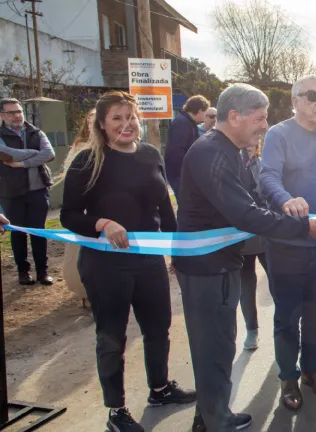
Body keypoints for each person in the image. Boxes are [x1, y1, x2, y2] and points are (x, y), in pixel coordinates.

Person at [173, 83, 316, 432]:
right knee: (213, 348)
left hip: (218, 264)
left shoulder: (228, 151)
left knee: (219, 344)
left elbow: (253, 201)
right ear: (235, 117)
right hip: (206, 268)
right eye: (260, 118)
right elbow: (245, 213)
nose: (264, 125)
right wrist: (301, 226)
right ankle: (216, 421)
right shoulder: (212, 154)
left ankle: (210, 416)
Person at [60, 91, 196, 432]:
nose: (127, 124)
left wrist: (176, 249)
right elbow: (68, 215)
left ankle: (160, 389)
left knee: (158, 328)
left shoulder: (150, 154)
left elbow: (164, 208)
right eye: (117, 118)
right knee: (112, 337)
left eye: (131, 117)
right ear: (102, 124)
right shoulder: (88, 161)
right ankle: (116, 410)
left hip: (149, 260)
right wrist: (102, 223)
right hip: (105, 265)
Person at [260, 75, 316, 411]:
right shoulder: (278, 134)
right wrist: (286, 200)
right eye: (312, 96)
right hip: (287, 244)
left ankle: (311, 369)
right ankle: (288, 377)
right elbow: (268, 176)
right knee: (287, 315)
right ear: (295, 100)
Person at [0, 97, 54, 285]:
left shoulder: (36, 132)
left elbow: (49, 154)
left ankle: (42, 272)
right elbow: (5, 154)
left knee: (39, 232)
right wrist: (34, 153)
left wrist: (22, 163)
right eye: (11, 112)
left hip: (38, 190)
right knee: (18, 233)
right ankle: (23, 272)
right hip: (11, 193)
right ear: (2, 115)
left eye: (19, 111)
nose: (17, 116)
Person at [61, 109, 96, 309]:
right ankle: (85, 292)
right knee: (79, 255)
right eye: (91, 122)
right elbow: (71, 181)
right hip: (84, 214)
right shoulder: (80, 149)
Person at [239, 141, 269, 351]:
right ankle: (252, 329)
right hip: (241, 235)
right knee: (246, 285)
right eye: (244, 147)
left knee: (277, 280)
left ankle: (284, 325)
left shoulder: (264, 166)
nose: (247, 150)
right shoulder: (232, 166)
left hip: (265, 232)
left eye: (251, 147)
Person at [164, 95, 210, 196]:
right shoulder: (182, 123)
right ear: (199, 111)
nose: (205, 115)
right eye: (205, 112)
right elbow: (176, 151)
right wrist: (187, 173)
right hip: (180, 174)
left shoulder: (189, 122)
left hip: (184, 174)